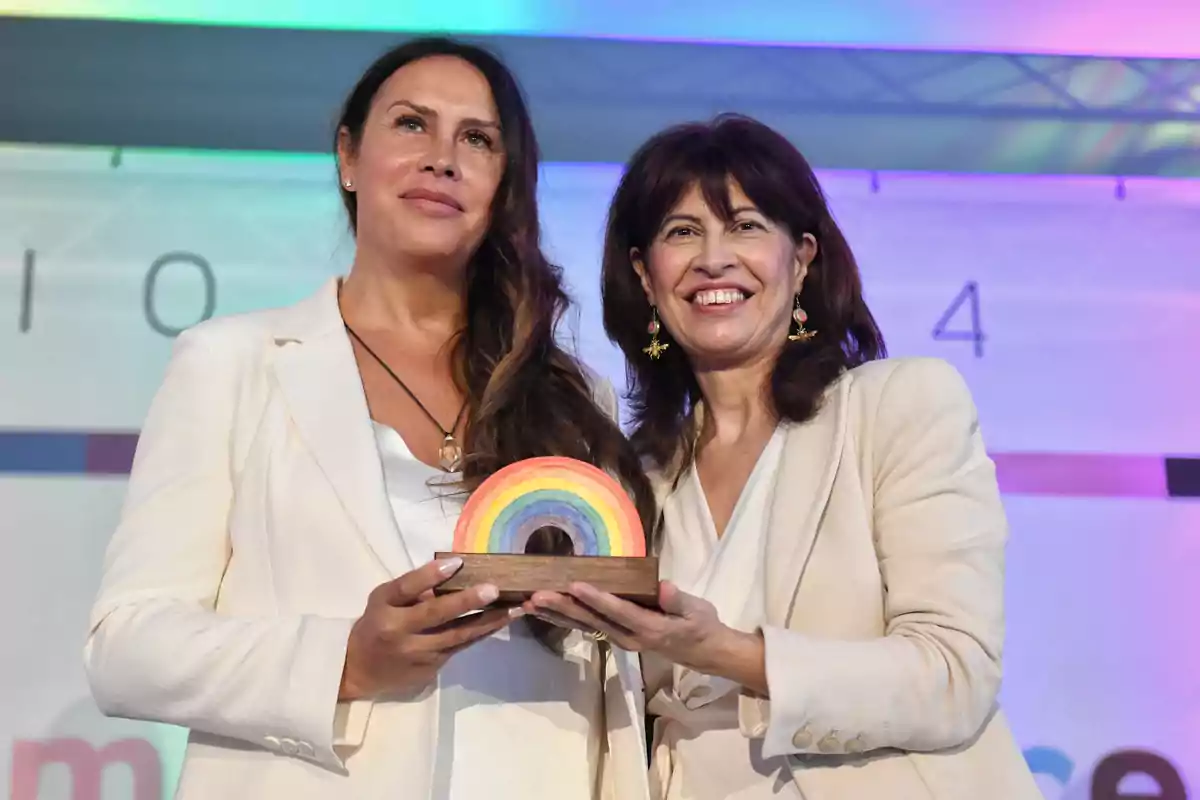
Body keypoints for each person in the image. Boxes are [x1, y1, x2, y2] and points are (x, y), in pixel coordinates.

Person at [83, 37, 656, 800]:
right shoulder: (233, 362)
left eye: (477, 140)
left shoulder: (573, 397)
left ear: (503, 185)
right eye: (412, 125)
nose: (442, 158)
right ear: (349, 158)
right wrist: (344, 660)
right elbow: (125, 647)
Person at [526, 114, 1043, 800]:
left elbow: (954, 676)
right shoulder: (637, 477)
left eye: (745, 225)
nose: (714, 258)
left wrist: (729, 653)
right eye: (682, 232)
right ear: (644, 277)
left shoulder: (899, 406)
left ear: (801, 259)